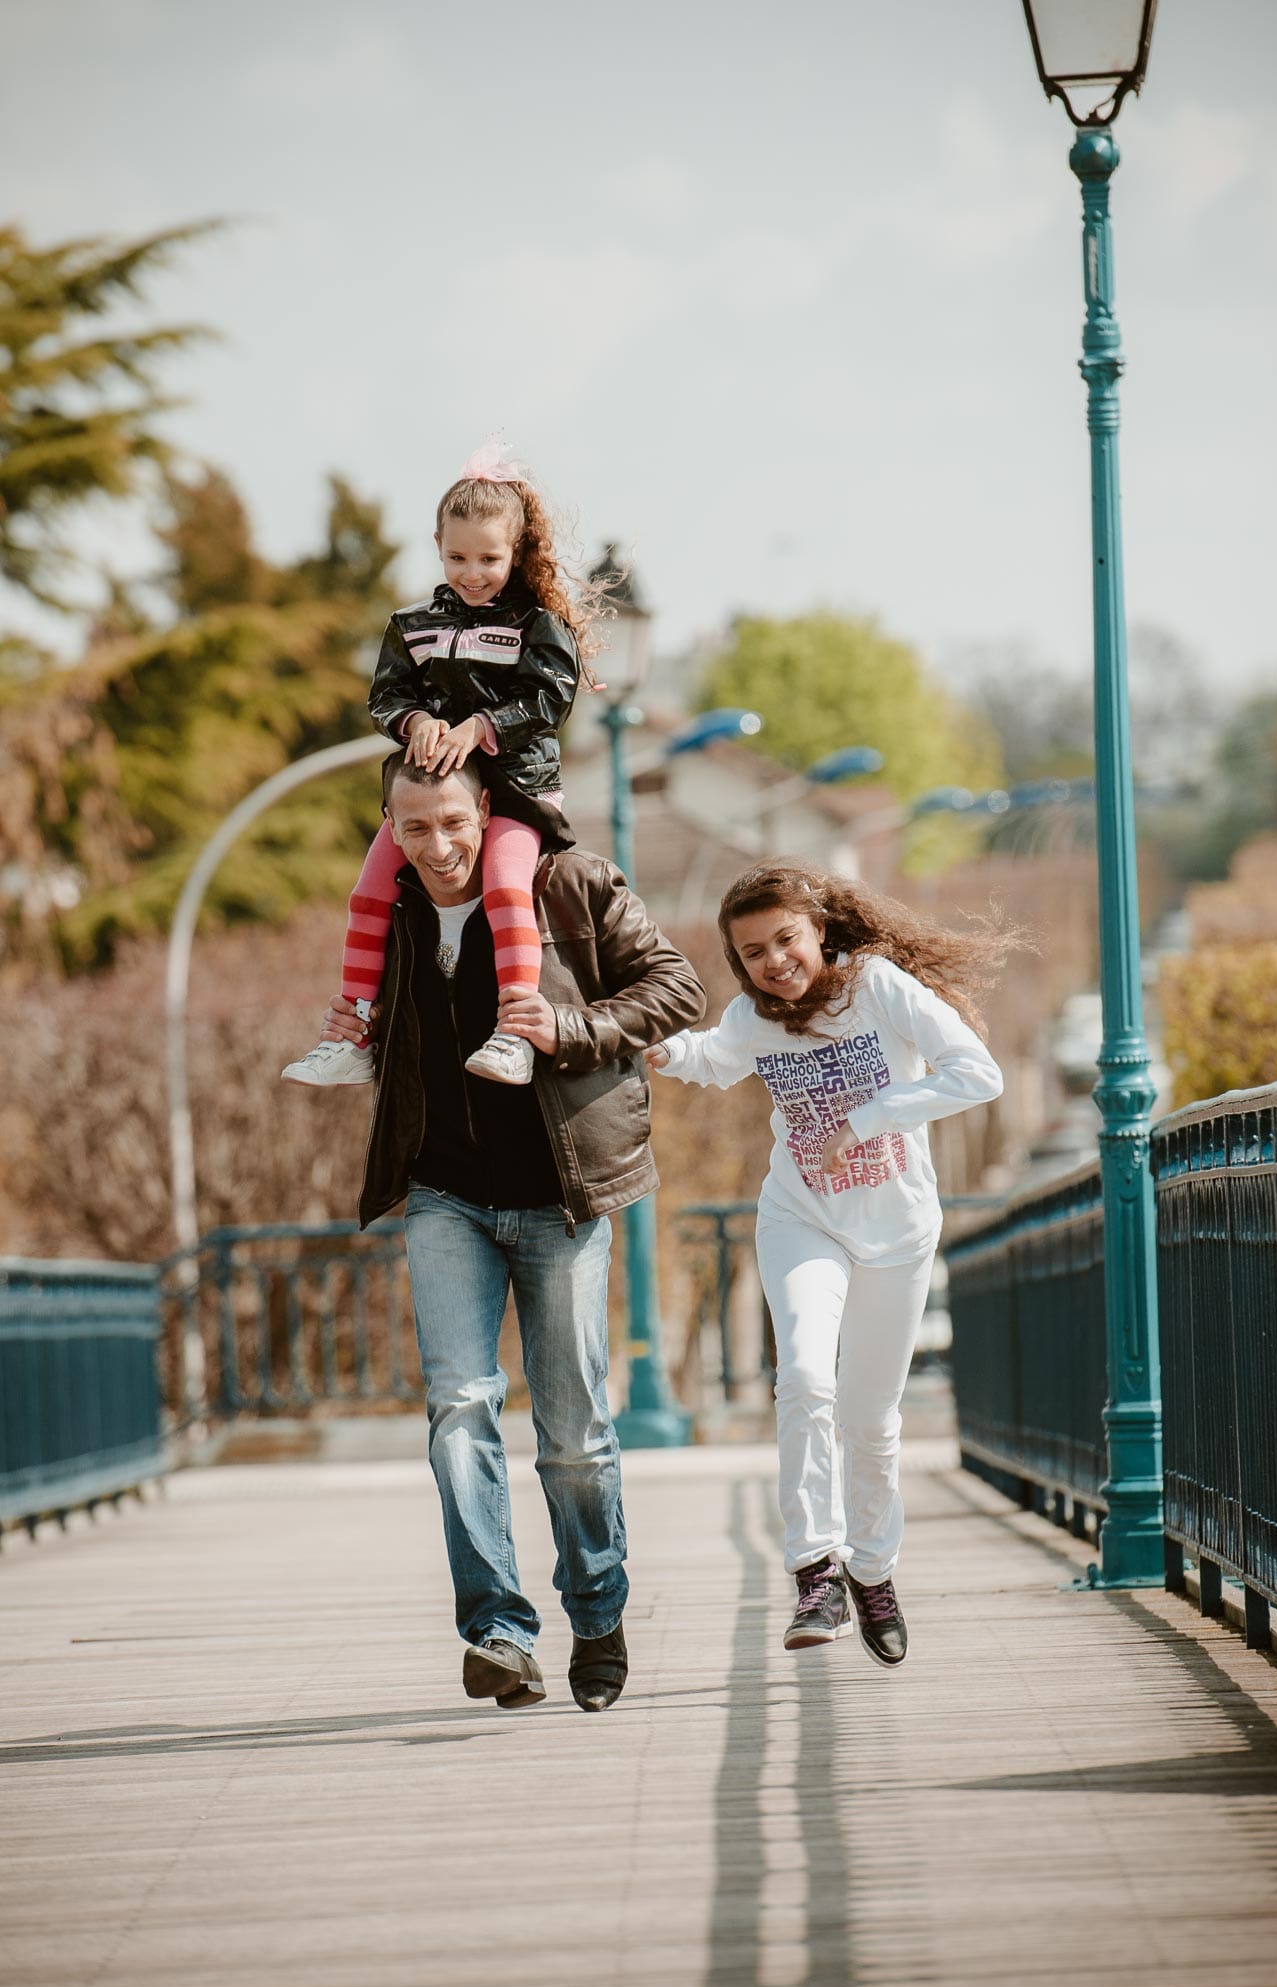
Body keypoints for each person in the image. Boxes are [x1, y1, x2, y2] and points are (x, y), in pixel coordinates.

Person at [321, 751, 704, 1712]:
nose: (439, 844)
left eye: (454, 821)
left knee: (573, 1428)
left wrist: (567, 1032)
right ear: (391, 832)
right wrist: (358, 1030)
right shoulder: (394, 912)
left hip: (558, 1195)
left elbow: (676, 990)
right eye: (415, 828)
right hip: (445, 1191)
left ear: (484, 808)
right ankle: (497, 1628)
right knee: (458, 1406)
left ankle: (598, 1609)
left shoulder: (569, 883)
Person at [647, 860, 1008, 1667]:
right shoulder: (752, 1018)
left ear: (818, 932)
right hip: (801, 1218)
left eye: (786, 940)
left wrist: (872, 1115)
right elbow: (713, 1056)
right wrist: (657, 1051)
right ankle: (816, 1570)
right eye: (753, 953)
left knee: (870, 1422)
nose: (775, 962)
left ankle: (873, 1574)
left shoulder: (875, 989)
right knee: (806, 1377)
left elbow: (977, 1074)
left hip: (898, 1232)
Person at [284, 440, 597, 1092]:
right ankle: (354, 1033)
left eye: (489, 558)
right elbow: (386, 696)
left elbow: (548, 699)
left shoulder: (538, 625)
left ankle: (516, 1032)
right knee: (368, 893)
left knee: (509, 889)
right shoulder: (412, 624)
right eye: (457, 557)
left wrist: (481, 729)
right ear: (436, 543)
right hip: (429, 799)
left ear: (517, 550)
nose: (473, 572)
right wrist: (417, 723)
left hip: (515, 791)